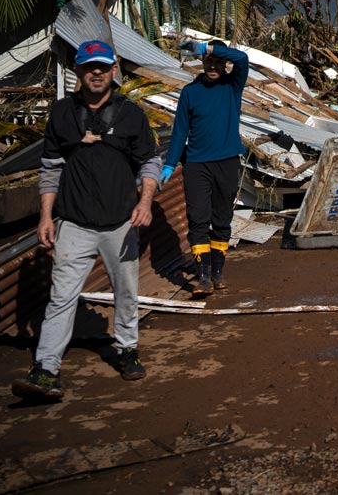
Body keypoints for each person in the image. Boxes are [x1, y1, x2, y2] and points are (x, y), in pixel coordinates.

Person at [12, 40, 161, 401]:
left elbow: (150, 162)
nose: (96, 72)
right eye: (88, 66)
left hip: (120, 222)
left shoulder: (131, 114)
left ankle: (127, 349)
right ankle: (46, 368)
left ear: (113, 70)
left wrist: (145, 202)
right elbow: (50, 169)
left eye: (102, 66)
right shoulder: (62, 114)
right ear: (77, 71)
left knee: (125, 291)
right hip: (74, 223)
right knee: (61, 296)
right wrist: (46, 216)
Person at [160, 38, 249, 298]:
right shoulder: (190, 92)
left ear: (223, 63)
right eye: (208, 60)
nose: (213, 65)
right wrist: (169, 164)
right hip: (197, 165)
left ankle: (218, 272)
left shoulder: (232, 86)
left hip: (227, 162)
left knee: (221, 219)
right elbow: (179, 133)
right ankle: (203, 278)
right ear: (201, 62)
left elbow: (242, 59)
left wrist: (208, 47)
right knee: (198, 219)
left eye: (217, 61)